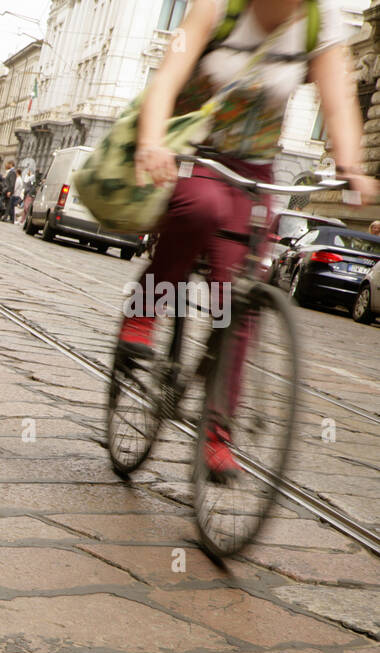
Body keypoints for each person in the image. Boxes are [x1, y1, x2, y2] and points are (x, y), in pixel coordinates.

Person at [125, 0, 374, 479]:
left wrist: (351, 167)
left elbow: (339, 99)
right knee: (201, 209)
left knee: (238, 295)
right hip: (197, 149)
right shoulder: (217, 7)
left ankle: (217, 431)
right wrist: (152, 140)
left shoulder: (319, 21)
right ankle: (142, 311)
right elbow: (169, 75)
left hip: (256, 170)